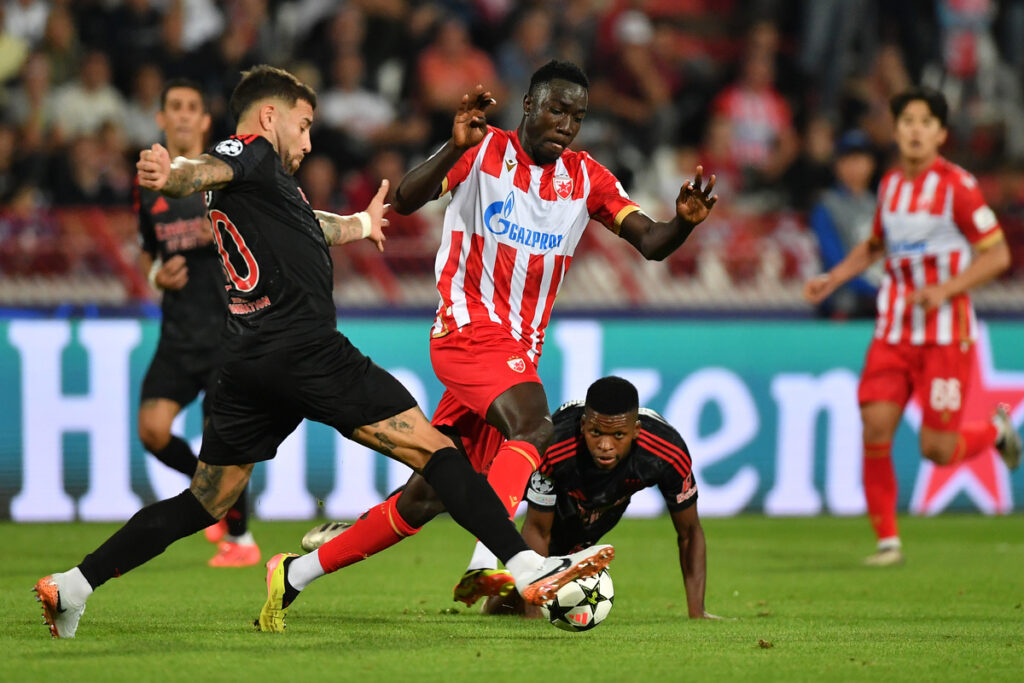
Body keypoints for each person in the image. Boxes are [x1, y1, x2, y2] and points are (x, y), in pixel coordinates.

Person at [32, 65, 613, 639]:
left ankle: (73, 586)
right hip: (305, 350)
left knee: (204, 502)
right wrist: (171, 172)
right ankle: (523, 564)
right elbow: (201, 166)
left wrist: (361, 223)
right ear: (269, 116)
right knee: (439, 455)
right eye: (304, 125)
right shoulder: (249, 152)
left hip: (247, 362)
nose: (309, 141)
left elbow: (308, 224)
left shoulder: (261, 187)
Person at [295, 60, 717, 608]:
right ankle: (490, 560)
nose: (567, 124)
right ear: (529, 106)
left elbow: (653, 243)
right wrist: (451, 146)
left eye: (578, 116)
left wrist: (683, 220)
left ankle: (297, 571)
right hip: (466, 329)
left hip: (515, 351)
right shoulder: (480, 150)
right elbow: (404, 198)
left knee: (432, 494)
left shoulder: (588, 179)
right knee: (535, 425)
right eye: (557, 109)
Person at [803, 86, 1022, 567]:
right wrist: (833, 278)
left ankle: (996, 432)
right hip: (894, 330)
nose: (915, 131)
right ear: (897, 131)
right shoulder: (891, 187)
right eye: (907, 122)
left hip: (946, 334)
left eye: (926, 122)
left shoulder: (958, 186)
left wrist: (946, 289)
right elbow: (876, 245)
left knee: (938, 450)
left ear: (941, 133)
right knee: (875, 425)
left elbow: (999, 254)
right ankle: (888, 542)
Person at [305, 377, 718, 619]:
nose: (606, 445)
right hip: (557, 495)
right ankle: (362, 527)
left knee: (498, 607)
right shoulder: (556, 445)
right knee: (457, 490)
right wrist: (535, 613)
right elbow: (536, 527)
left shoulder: (667, 453)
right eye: (596, 433)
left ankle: (373, 527)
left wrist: (696, 615)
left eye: (618, 436)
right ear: (584, 424)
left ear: (636, 432)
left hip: (599, 509)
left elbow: (690, 533)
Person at [135, 77, 258, 568]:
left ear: (206, 122)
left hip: (227, 330)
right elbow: (149, 247)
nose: (184, 115)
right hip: (178, 330)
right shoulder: (148, 181)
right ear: (161, 118)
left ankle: (243, 541)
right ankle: (206, 498)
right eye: (175, 107)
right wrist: (155, 274)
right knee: (152, 430)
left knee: (222, 441)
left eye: (193, 107)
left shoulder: (221, 174)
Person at [806, 129, 881, 319]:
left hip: (879, 298)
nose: (854, 166)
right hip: (844, 299)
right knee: (845, 302)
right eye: (847, 159)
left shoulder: (880, 204)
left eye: (860, 158)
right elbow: (833, 258)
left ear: (871, 163)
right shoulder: (826, 205)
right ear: (837, 165)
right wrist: (876, 290)